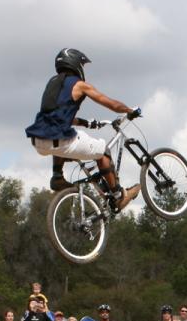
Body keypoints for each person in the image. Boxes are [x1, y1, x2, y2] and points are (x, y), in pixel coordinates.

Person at [25, 47, 140, 210]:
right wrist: (129, 110)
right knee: (103, 150)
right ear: (75, 64)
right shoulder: (80, 85)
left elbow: (58, 117)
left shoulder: (52, 84)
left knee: (66, 135)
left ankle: (57, 176)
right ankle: (118, 196)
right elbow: (109, 103)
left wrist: (86, 123)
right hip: (59, 140)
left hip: (39, 141)